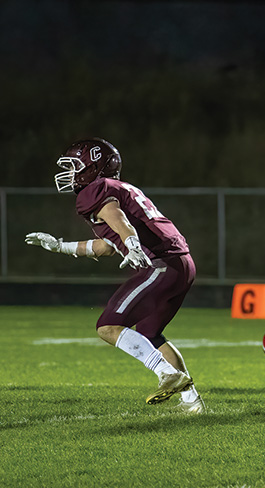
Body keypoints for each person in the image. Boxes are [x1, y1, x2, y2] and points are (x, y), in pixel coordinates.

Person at [25, 138, 204, 413]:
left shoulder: (95, 191)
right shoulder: (121, 188)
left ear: (93, 168)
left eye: (75, 166)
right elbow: (106, 246)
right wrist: (60, 246)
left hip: (161, 264)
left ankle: (167, 374)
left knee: (107, 326)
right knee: (149, 333)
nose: (70, 173)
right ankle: (193, 403)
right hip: (182, 263)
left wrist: (131, 243)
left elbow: (119, 220)